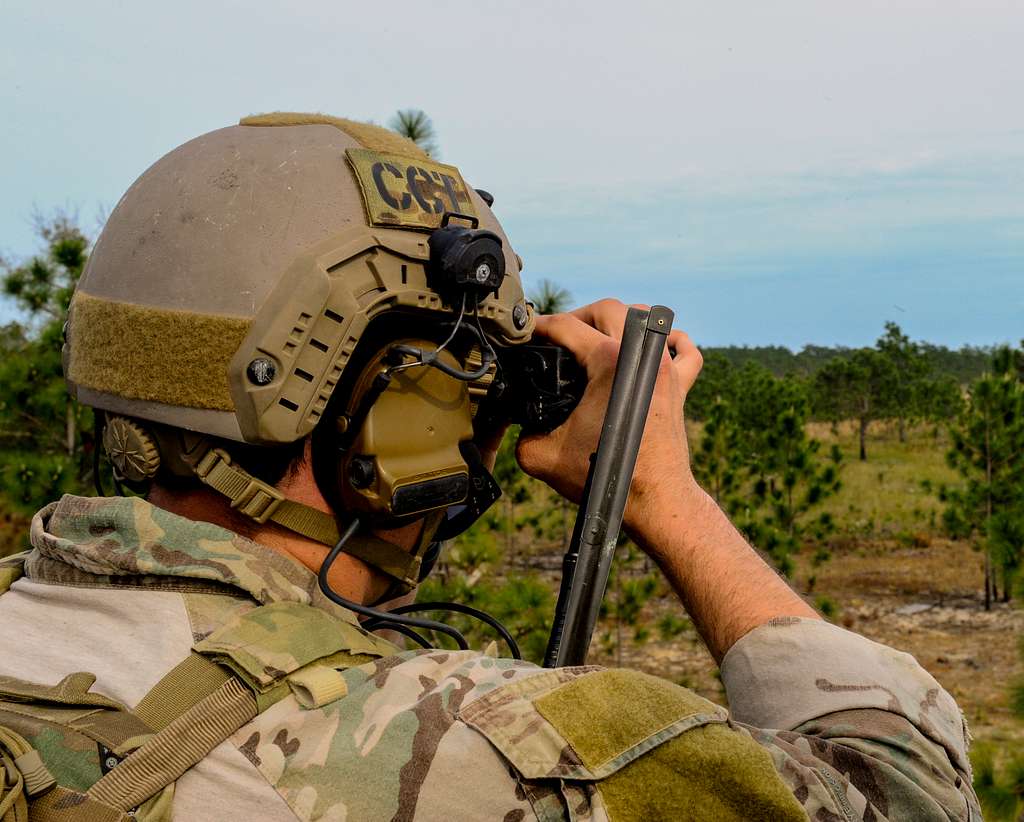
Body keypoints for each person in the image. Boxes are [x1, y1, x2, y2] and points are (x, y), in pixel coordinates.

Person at [0, 114, 978, 822]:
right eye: (460, 380)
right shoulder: (482, 751)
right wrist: (660, 493)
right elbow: (908, 793)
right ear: (391, 412)